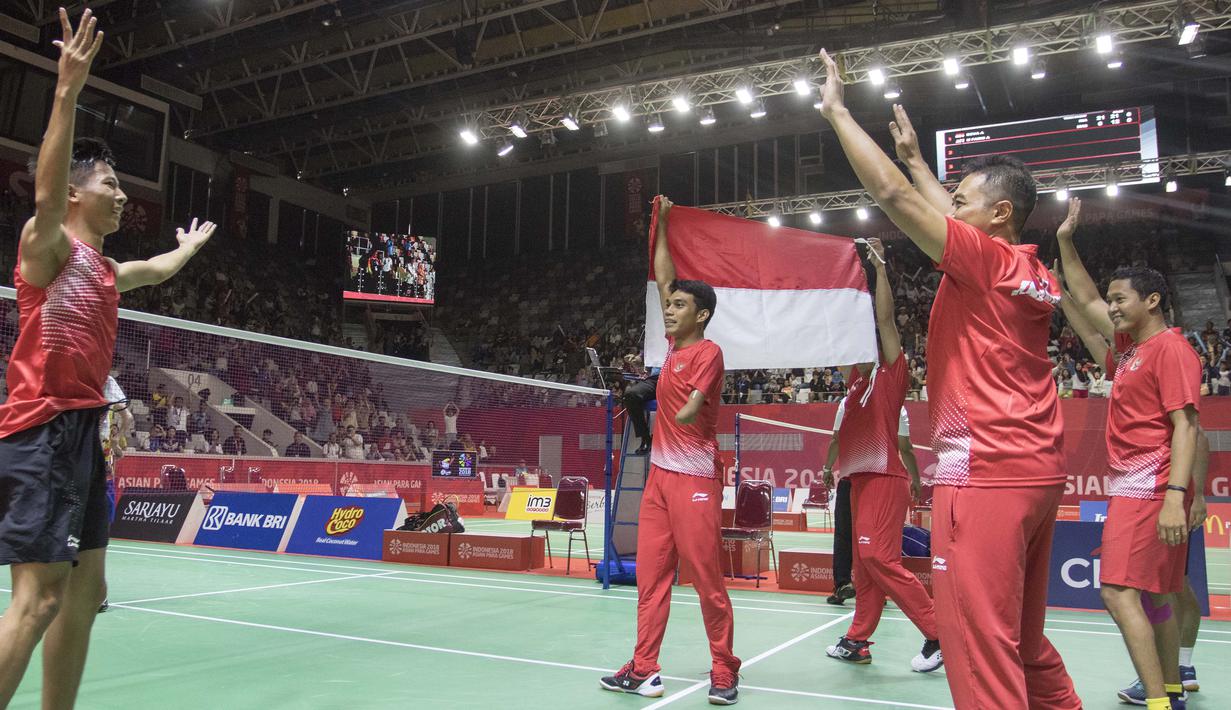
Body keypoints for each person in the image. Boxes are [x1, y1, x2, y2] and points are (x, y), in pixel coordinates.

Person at [817, 52, 1080, 710]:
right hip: (1035, 474)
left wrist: (837, 113)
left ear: (997, 215)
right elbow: (942, 205)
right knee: (1022, 641)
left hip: (984, 473)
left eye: (961, 201)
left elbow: (897, 202)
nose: (948, 207)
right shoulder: (1028, 270)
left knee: (978, 647)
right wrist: (915, 158)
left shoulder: (983, 262)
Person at [0, 10, 216, 709]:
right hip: (43, 429)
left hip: (85, 434)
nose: (123, 196)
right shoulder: (48, 248)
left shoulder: (104, 269)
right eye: (110, 185)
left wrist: (187, 248)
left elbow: (154, 270)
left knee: (85, 594)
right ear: (74, 193)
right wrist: (66, 91)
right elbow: (45, 185)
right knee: (36, 602)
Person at [1053, 200, 1203, 710]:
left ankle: (1158, 700)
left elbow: (1187, 426)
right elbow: (1087, 295)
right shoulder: (1131, 350)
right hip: (1136, 486)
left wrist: (1176, 498)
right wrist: (1067, 242)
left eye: (1122, 300)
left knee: (1117, 593)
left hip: (1150, 486)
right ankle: (1172, 690)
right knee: (1157, 597)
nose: (1112, 306)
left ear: (1154, 300)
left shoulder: (1170, 350)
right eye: (1113, 301)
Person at [599, 196, 739, 705]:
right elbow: (663, 278)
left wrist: (674, 413)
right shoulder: (675, 348)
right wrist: (661, 226)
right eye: (670, 304)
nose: (669, 310)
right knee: (650, 578)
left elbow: (690, 411)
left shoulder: (708, 352)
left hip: (696, 479)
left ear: (701, 315)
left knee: (706, 582)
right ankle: (644, 667)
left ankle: (724, 668)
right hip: (659, 478)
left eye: (679, 306)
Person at [821, 238, 939, 673]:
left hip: (886, 477)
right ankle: (857, 639)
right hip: (856, 480)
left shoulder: (889, 377)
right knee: (862, 567)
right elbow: (840, 327)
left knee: (878, 559)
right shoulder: (853, 384)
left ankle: (937, 630)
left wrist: (880, 270)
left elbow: (885, 320)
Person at [820, 405, 854, 606]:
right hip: (878, 480)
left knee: (844, 535)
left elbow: (836, 439)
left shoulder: (847, 403)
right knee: (868, 537)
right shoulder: (887, 400)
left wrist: (827, 469)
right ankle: (873, 587)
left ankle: (842, 584)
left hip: (851, 478)